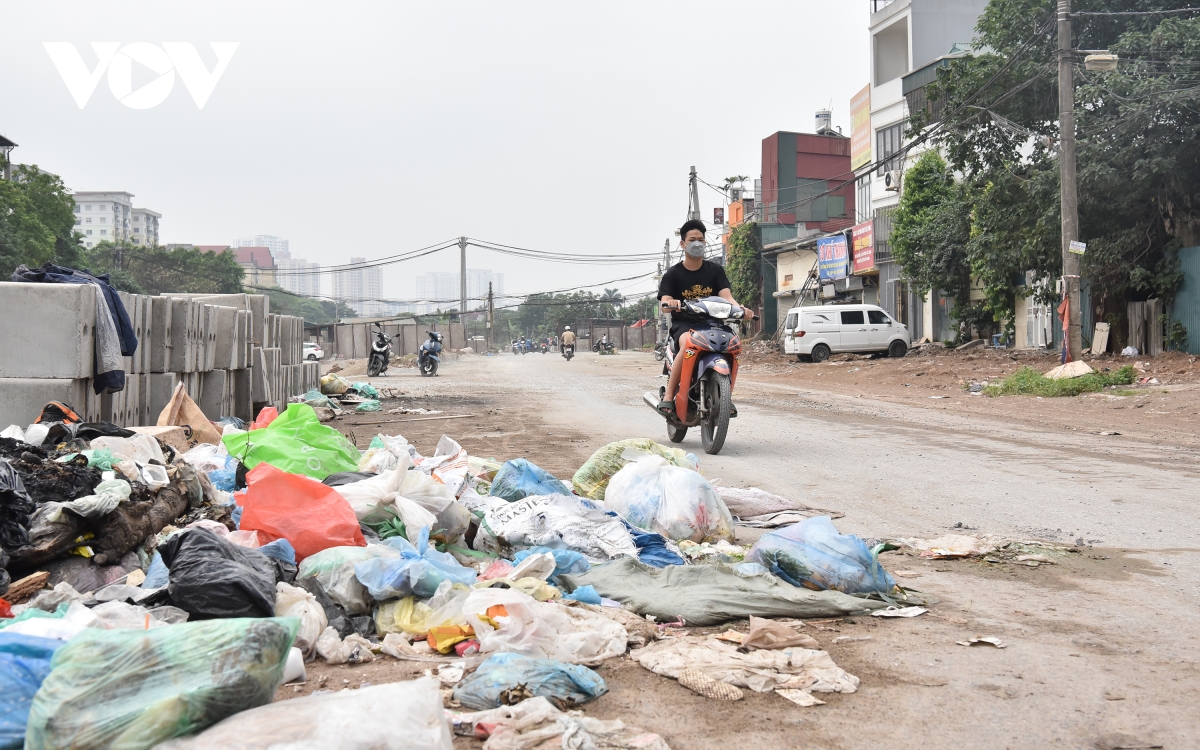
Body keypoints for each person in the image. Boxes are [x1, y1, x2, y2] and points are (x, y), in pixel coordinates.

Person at [657, 218, 754, 413]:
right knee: (687, 344)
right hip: (685, 325)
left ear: (705, 242)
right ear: (683, 244)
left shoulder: (715, 270)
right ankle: (669, 397)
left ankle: (726, 396)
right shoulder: (673, 274)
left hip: (713, 324)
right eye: (692, 239)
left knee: (732, 345)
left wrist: (742, 310)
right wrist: (671, 303)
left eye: (701, 240)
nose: (697, 243)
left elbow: (727, 297)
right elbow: (664, 302)